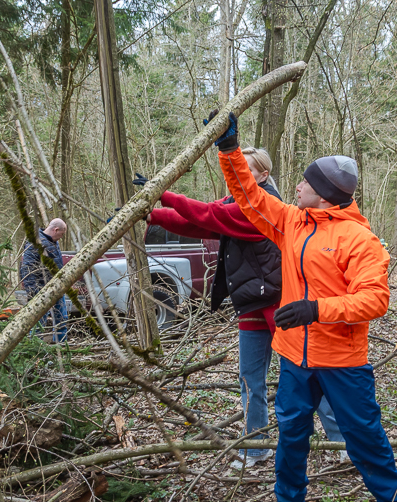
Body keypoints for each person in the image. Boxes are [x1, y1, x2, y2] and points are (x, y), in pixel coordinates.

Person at [209, 110, 397, 502]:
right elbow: (249, 197)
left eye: (305, 182)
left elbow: (375, 299)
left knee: (364, 435)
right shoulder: (291, 222)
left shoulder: (359, 239)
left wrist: (316, 309)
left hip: (342, 360)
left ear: (324, 194)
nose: (297, 186)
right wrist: (229, 149)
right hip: (293, 358)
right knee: (291, 433)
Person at [143, 150, 349, 469]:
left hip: (281, 303)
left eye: (247, 171)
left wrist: (164, 195)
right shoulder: (235, 203)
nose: (238, 177)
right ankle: (256, 447)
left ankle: (343, 443)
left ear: (263, 176)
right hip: (251, 303)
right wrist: (152, 215)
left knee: (308, 374)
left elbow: (209, 214)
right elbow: (202, 226)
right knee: (250, 379)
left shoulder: (264, 207)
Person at [20, 218, 68, 342]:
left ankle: (62, 345)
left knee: (62, 318)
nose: (61, 237)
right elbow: (27, 269)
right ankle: (35, 348)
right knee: (39, 321)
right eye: (61, 234)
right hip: (41, 290)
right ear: (55, 230)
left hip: (57, 287)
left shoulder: (53, 241)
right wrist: (34, 292)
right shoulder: (34, 243)